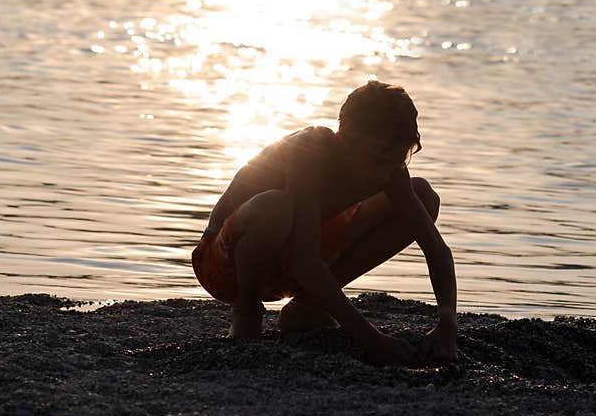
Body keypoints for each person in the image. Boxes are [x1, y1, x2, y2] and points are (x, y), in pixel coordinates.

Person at [192, 81, 458, 367]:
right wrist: (370, 339)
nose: (385, 174)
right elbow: (303, 261)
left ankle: (307, 307)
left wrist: (447, 326)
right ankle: (247, 313)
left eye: (395, 161)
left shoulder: (388, 169)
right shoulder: (308, 150)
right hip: (223, 264)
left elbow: (436, 248)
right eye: (378, 158)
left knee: (423, 196)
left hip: (296, 257)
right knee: (275, 207)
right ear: (348, 137)